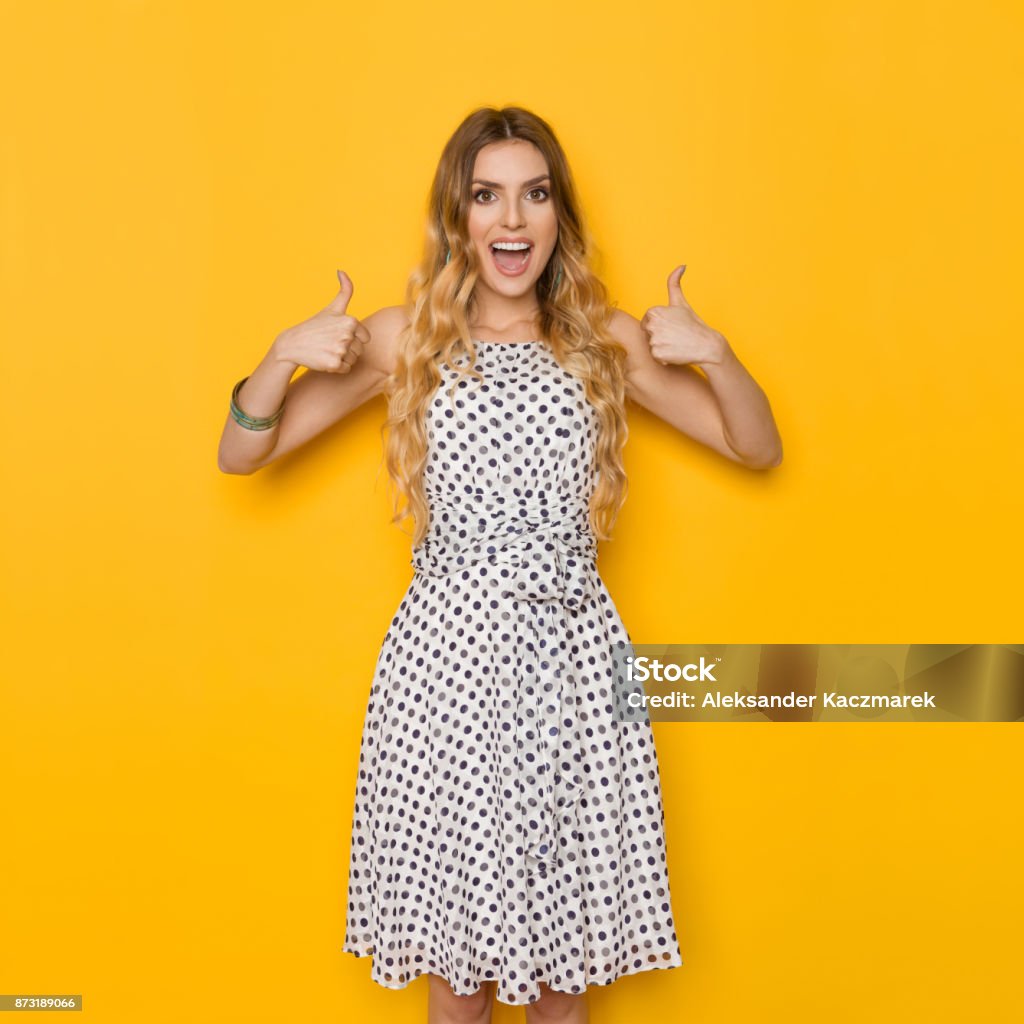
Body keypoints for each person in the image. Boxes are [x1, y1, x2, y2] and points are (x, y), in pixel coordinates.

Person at [217, 105, 782, 1024]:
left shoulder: (603, 338)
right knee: (461, 981)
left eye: (533, 194)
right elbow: (242, 455)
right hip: (447, 670)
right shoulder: (409, 339)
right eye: (487, 197)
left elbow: (755, 447)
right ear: (459, 217)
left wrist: (719, 358)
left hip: (571, 666)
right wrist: (279, 362)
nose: (511, 220)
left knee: (564, 982)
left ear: (559, 216)